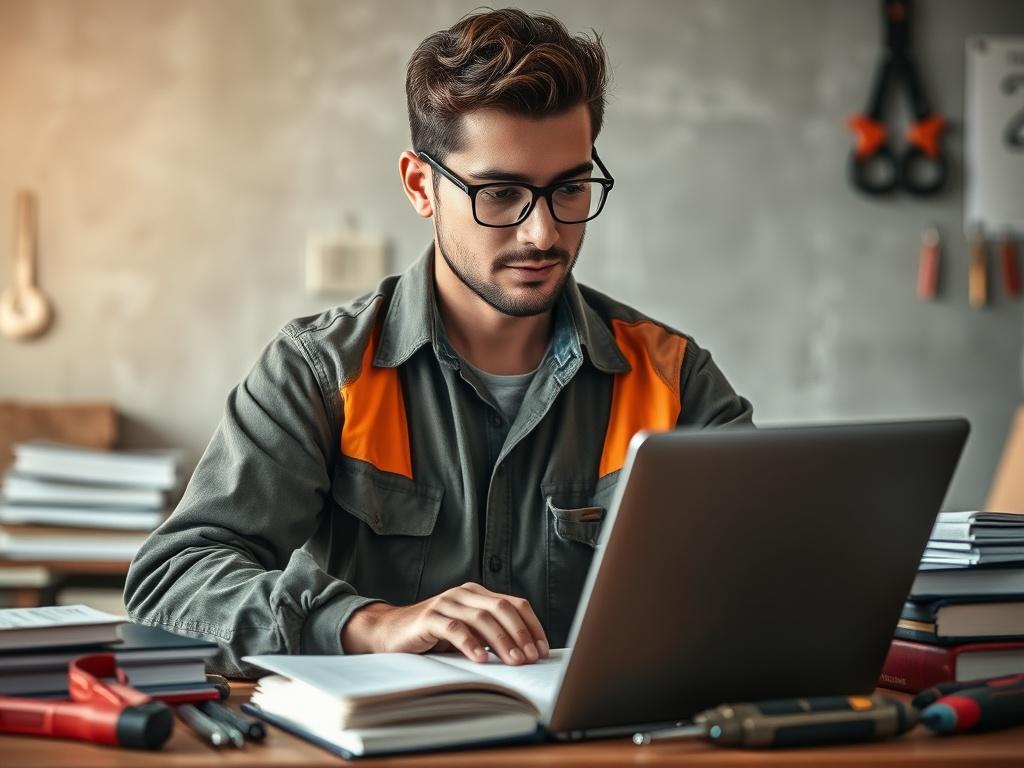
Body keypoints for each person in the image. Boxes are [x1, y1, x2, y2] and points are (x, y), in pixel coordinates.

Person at [124, 8, 753, 677]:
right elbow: (171, 585)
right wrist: (368, 623)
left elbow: (776, 571)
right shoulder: (319, 372)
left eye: (569, 188)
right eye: (500, 193)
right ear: (421, 186)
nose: (543, 233)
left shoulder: (673, 377)